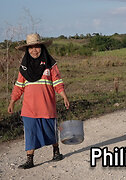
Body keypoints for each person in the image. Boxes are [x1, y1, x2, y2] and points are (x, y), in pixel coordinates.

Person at [7, 33, 70, 169]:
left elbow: (57, 82)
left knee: (50, 130)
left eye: (36, 47)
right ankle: (30, 160)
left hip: (47, 105)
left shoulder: (50, 65)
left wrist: (64, 96)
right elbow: (19, 86)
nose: (34, 50)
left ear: (42, 47)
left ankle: (56, 152)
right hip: (29, 107)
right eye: (30, 48)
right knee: (30, 132)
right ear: (27, 50)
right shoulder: (24, 68)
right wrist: (13, 101)